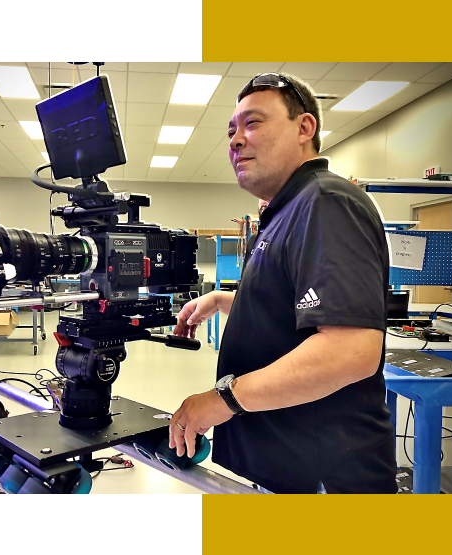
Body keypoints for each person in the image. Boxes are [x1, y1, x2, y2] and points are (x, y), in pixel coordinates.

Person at [169, 72, 397, 494]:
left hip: (327, 474)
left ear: (304, 128)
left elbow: (350, 351)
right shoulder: (288, 210)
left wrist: (222, 400)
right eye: (232, 130)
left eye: (253, 123)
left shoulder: (326, 203)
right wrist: (224, 300)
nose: (236, 140)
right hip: (290, 463)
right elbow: (291, 311)